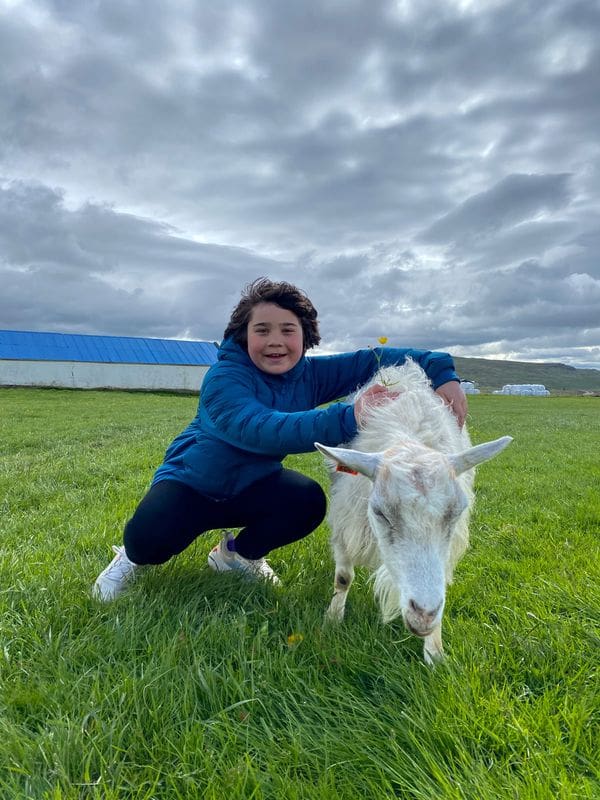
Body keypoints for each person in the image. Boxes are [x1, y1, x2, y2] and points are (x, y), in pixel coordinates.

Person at [93, 277, 467, 601]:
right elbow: (262, 428)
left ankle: (234, 555)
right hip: (193, 484)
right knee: (149, 543)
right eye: (263, 330)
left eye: (288, 330)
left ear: (305, 335)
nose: (276, 342)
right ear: (244, 335)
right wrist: (350, 416)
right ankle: (126, 558)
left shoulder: (311, 373)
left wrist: (442, 372)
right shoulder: (224, 378)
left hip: (254, 484)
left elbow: (383, 357)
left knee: (305, 502)